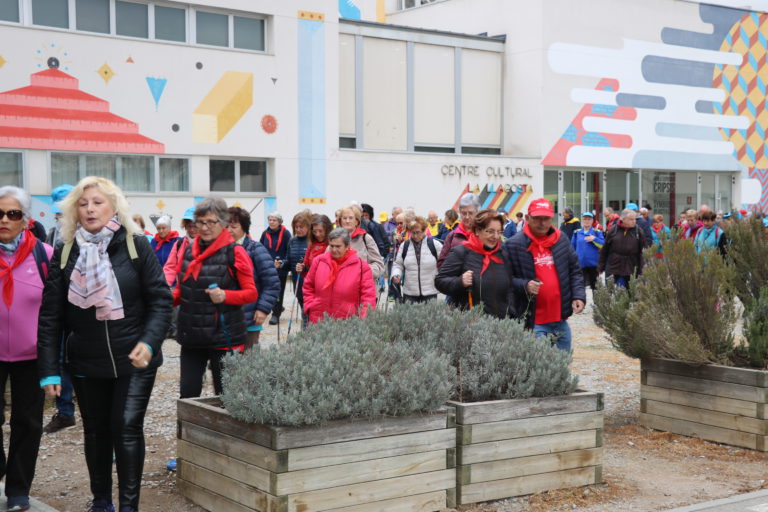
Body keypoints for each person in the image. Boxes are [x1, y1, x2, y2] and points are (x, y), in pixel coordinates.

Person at [37, 176, 172, 512]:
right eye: (83, 204)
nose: (90, 209)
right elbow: (51, 316)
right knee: (96, 431)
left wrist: (149, 342)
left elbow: (160, 301)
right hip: (86, 359)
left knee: (126, 427)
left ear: (114, 207)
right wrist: (49, 370)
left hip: (135, 358)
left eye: (97, 202)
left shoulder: (136, 245)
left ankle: (128, 506)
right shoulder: (65, 252)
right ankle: (101, 501)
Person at [0, 187, 52, 512]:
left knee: (28, 423)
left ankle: (18, 490)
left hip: (32, 355)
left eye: (13, 213)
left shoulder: (44, 254)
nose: (4, 219)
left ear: (25, 219)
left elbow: (56, 308)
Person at [174, 197, 257, 398]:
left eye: (211, 222)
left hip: (223, 335)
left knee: (225, 397)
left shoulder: (235, 252)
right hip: (192, 334)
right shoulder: (187, 250)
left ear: (223, 222)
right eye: (200, 222)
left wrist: (225, 295)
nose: (204, 228)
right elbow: (182, 290)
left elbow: (251, 293)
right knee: (188, 395)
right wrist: (163, 298)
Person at [503, 198, 586, 351]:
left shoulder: (561, 239)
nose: (542, 223)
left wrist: (578, 295)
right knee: (539, 363)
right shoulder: (513, 244)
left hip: (560, 320)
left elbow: (574, 271)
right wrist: (525, 285)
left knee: (562, 363)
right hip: (532, 322)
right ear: (527, 218)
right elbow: (504, 280)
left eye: (546, 218)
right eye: (537, 218)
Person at [43, 183, 78, 435]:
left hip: (86, 313)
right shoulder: (53, 233)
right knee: (61, 358)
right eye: (57, 212)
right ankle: (65, 411)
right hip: (60, 307)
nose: (59, 215)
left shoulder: (92, 234)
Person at [436, 209, 513, 318]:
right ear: (477, 230)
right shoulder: (461, 252)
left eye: (499, 232)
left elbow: (511, 288)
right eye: (490, 231)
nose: (495, 236)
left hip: (500, 323)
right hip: (471, 323)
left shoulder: (503, 254)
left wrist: (511, 312)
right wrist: (459, 282)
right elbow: (440, 281)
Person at [227, 207, 280, 349]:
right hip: (224, 319)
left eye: (234, 227)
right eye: (226, 226)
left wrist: (263, 309)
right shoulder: (219, 250)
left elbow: (272, 283)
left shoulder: (256, 249)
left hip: (249, 318)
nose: (229, 230)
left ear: (244, 228)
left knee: (247, 357)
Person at [302, 228, 376, 323]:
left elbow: (368, 297)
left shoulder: (362, 267)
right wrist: (310, 306)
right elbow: (308, 286)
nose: (334, 250)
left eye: (338, 246)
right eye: (331, 246)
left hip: (347, 323)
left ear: (347, 246)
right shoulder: (319, 261)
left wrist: (363, 320)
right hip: (318, 320)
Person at [392, 216, 443, 303]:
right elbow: (398, 264)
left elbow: (444, 263)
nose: (415, 236)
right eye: (413, 232)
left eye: (418, 232)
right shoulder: (404, 246)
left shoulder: (435, 245)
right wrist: (396, 274)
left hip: (430, 292)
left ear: (424, 230)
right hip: (409, 293)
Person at [598, 208, 646, 288]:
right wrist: (601, 266)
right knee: (613, 291)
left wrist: (642, 270)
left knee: (630, 292)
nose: (634, 221)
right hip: (614, 267)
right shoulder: (613, 230)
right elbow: (605, 249)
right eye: (631, 219)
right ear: (623, 219)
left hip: (631, 268)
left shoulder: (639, 232)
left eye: (635, 219)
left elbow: (643, 252)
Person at [338, 205, 384, 283]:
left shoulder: (366, 238)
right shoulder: (335, 239)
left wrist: (362, 271)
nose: (347, 221)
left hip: (362, 286)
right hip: (340, 286)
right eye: (344, 218)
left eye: (351, 218)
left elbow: (379, 264)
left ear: (356, 221)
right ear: (340, 221)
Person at [260, 212, 291, 325]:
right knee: (268, 290)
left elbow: (289, 250)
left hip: (281, 268)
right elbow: (260, 249)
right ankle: (278, 307)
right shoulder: (265, 233)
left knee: (278, 291)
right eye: (270, 220)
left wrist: (283, 263)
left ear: (279, 222)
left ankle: (275, 314)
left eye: (274, 220)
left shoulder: (286, 234)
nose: (272, 222)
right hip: (267, 268)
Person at [437, 193, 480, 269]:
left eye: (470, 213)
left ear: (477, 212)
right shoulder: (452, 236)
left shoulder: (483, 235)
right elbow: (441, 263)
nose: (467, 217)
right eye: (464, 213)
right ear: (459, 212)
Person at [285, 211, 312, 326]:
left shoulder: (312, 241)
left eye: (301, 227)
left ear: (308, 227)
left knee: (308, 311)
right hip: (297, 282)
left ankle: (306, 330)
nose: (298, 229)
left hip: (310, 284)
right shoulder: (292, 241)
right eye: (296, 227)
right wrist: (281, 264)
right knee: (303, 309)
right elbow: (288, 261)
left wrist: (305, 268)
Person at [571, 211, 604, 291]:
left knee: (595, 288)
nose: (587, 221)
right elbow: (572, 248)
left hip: (593, 265)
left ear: (592, 221)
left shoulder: (597, 232)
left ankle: (596, 299)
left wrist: (594, 239)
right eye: (585, 219)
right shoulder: (577, 233)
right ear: (582, 220)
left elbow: (603, 245)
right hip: (580, 265)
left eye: (589, 219)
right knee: (580, 287)